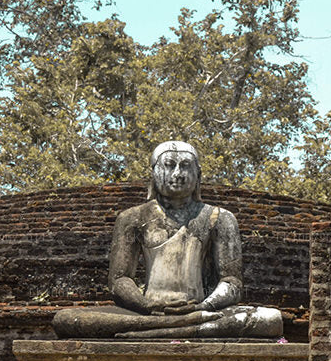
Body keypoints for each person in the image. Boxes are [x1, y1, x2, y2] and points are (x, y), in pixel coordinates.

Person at [51, 140, 282, 339]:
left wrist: (203, 306)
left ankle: (165, 329)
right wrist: (148, 305)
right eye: (169, 166)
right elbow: (120, 280)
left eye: (185, 167)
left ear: (198, 175)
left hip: (201, 310)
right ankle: (171, 327)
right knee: (66, 319)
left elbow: (232, 282)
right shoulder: (131, 218)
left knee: (269, 319)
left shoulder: (219, 218)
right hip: (148, 311)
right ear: (153, 173)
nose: (177, 174)